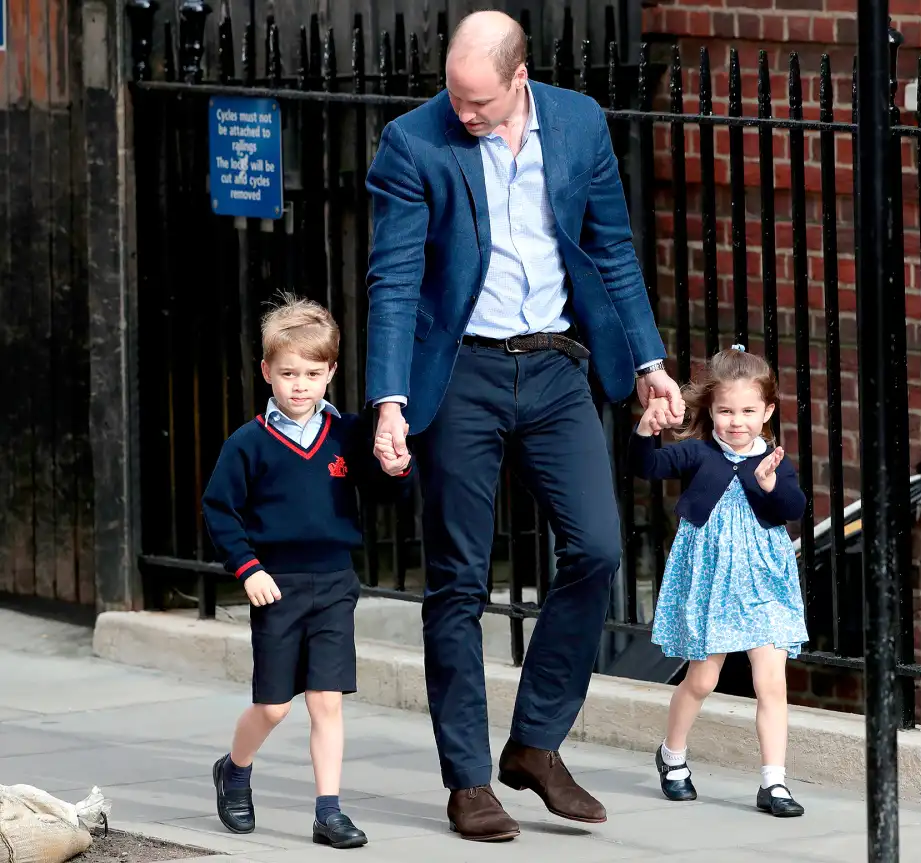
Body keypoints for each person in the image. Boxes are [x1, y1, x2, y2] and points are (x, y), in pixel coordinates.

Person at [364, 8, 685, 842]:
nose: (460, 113)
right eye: (452, 96)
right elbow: (394, 280)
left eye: (476, 101)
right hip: (460, 371)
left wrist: (649, 363)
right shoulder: (413, 143)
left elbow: (612, 250)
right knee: (459, 582)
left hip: (554, 365)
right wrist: (389, 399)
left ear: (519, 77)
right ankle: (469, 780)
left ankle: (535, 742)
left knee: (599, 547)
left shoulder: (577, 123)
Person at [201, 294, 412, 849]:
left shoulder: (347, 434)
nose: (300, 385)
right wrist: (247, 569)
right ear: (267, 371)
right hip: (275, 586)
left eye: (313, 374)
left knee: (327, 700)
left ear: (331, 373)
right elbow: (219, 510)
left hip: (335, 583)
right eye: (289, 372)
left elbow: (388, 492)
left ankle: (329, 811)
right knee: (273, 705)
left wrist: (397, 468)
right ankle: (235, 768)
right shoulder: (248, 444)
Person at [629, 345, 809, 817]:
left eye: (749, 410)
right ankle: (672, 757)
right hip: (712, 582)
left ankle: (775, 783)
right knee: (703, 680)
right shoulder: (696, 452)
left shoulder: (772, 459)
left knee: (772, 682)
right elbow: (647, 468)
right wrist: (645, 432)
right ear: (710, 408)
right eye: (726, 410)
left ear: (767, 411)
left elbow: (793, 508)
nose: (736, 421)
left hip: (763, 582)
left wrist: (770, 487)